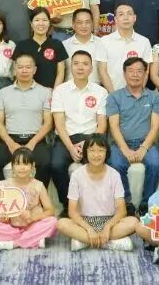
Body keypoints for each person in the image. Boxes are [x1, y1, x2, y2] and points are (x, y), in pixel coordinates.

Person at [58, 134, 140, 251]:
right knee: (61, 224)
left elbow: (122, 211)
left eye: (100, 150)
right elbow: (72, 212)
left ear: (107, 153)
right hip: (84, 222)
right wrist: (89, 229)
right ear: (85, 152)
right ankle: (109, 242)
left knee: (134, 222)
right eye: (92, 150)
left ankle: (85, 241)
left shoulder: (114, 175)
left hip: (110, 221)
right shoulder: (77, 175)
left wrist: (108, 226)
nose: (96, 155)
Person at [51, 50, 109, 212]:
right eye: (76, 64)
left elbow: (102, 125)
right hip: (66, 138)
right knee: (56, 165)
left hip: (92, 138)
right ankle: (67, 205)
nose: (80, 67)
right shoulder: (60, 90)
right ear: (71, 67)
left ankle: (98, 206)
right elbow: (59, 125)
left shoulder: (101, 92)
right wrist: (71, 147)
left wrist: (88, 144)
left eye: (85, 64)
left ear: (91, 68)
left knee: (103, 163)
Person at [106, 56, 159, 216]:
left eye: (139, 71)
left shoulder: (154, 97)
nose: (135, 74)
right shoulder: (114, 97)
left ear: (146, 74)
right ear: (124, 74)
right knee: (116, 164)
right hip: (121, 143)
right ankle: (127, 203)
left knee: (155, 164)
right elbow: (114, 126)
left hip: (146, 142)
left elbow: (155, 127)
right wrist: (125, 150)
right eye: (131, 71)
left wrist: (144, 148)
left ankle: (147, 203)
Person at [0, 53, 53, 184]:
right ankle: (2, 195)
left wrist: (32, 143)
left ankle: (38, 196)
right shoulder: (3, 92)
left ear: (34, 70)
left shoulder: (45, 92)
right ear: (14, 70)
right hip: (9, 138)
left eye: (28, 67)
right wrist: (11, 143)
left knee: (45, 163)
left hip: (36, 139)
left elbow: (48, 123)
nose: (24, 71)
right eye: (20, 67)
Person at [0, 147, 58, 250]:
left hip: (33, 225)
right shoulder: (4, 185)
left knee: (53, 222)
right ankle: (33, 240)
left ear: (32, 166)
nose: (22, 168)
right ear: (12, 166)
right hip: (11, 227)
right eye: (18, 164)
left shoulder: (38, 185)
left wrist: (33, 218)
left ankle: (14, 243)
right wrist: (3, 217)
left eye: (26, 164)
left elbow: (50, 210)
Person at [97, 3, 153, 91]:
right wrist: (114, 95)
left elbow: (146, 72)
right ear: (115, 19)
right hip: (111, 94)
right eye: (121, 14)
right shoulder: (104, 41)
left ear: (134, 18)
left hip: (136, 95)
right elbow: (102, 72)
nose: (125, 17)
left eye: (129, 14)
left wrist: (136, 94)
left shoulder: (144, 42)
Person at [13, 8, 67, 89]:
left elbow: (60, 72)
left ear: (49, 23)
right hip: (27, 91)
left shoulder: (57, 44)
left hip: (50, 91)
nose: (41, 23)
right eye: (37, 20)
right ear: (31, 23)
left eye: (44, 20)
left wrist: (55, 92)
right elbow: (16, 72)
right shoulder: (22, 45)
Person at [61, 8, 104, 86]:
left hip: (96, 89)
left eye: (87, 22)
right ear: (73, 25)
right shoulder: (64, 45)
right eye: (79, 22)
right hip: (70, 88)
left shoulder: (101, 43)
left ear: (92, 24)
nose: (84, 26)